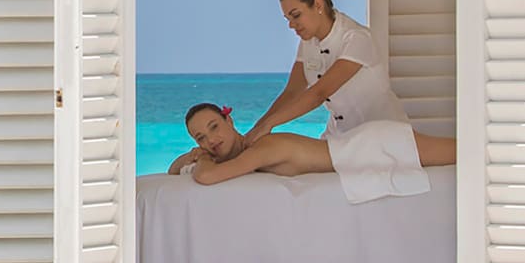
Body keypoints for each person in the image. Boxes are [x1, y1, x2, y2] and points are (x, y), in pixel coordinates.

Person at [250, 0, 427, 263]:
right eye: (287, 18)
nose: (291, 25)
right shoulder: (309, 43)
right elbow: (292, 92)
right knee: (323, 228)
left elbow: (316, 95)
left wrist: (267, 130)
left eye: (295, 15)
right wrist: (257, 131)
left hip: (381, 142)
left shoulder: (356, 39)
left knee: (380, 232)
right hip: (340, 138)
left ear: (318, 5)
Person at [169, 102, 453, 183]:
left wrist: (201, 157)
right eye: (201, 138)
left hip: (374, 145)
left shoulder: (261, 149)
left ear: (229, 121)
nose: (211, 140)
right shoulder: (247, 154)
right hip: (363, 150)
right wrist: (192, 156)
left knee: (467, 152)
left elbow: (207, 177)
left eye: (214, 127)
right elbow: (173, 171)